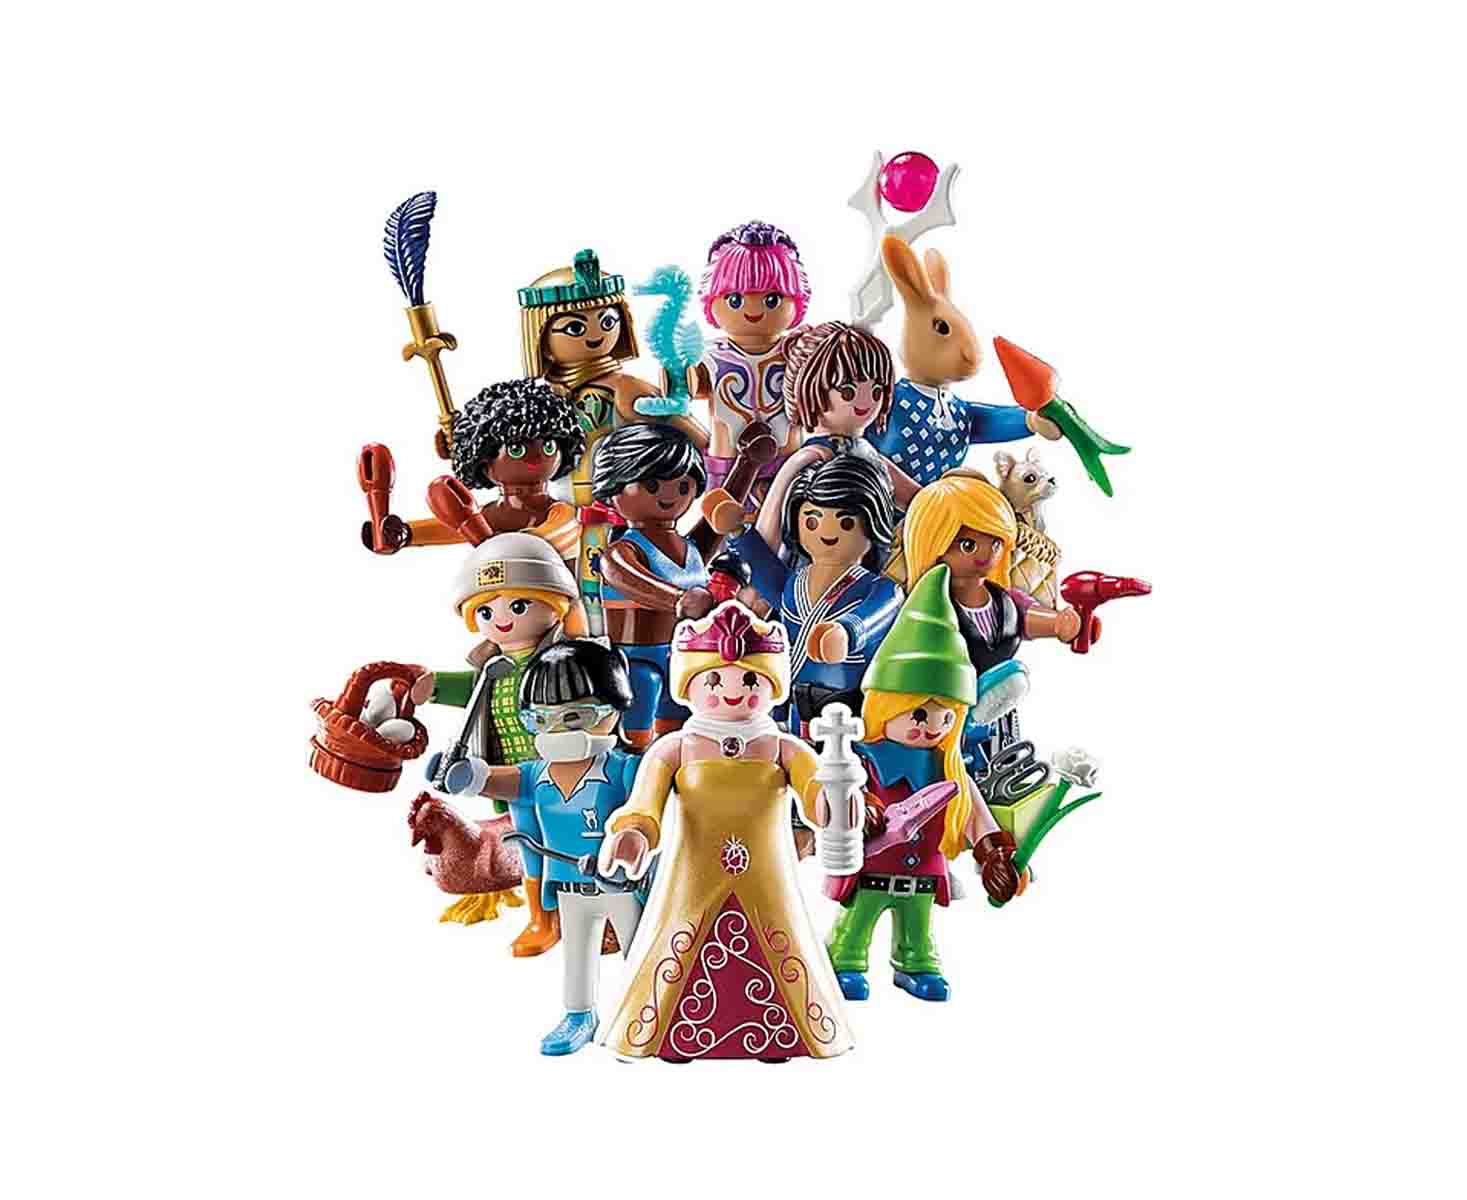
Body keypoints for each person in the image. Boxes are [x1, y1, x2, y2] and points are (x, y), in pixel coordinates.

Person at [596, 602, 853, 1062]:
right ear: (689, 686)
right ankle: (671, 1034)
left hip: (768, 877)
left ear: (771, 685)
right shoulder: (674, 749)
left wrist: (836, 800)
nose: (732, 692)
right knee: (680, 944)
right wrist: (634, 833)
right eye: (714, 680)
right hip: (692, 877)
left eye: (750, 681)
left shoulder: (783, 748)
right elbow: (644, 803)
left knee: (779, 944)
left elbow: (817, 796)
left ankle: (778, 1034)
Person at [824, 566, 1022, 1003]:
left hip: (924, 872)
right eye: (919, 714)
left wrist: (993, 853)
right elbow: (841, 793)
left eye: (945, 717)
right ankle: (846, 956)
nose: (931, 727)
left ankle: (915, 961)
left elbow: (976, 816)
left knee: (918, 924)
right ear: (887, 705)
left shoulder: (948, 767)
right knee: (858, 920)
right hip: (874, 865)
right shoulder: (865, 759)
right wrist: (863, 808)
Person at [442, 639, 644, 1056]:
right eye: (541, 719)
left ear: (613, 709)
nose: (558, 731)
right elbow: (498, 780)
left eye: (575, 716)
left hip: (622, 885)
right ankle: (579, 1015)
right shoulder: (537, 775)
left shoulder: (626, 769)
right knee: (577, 955)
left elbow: (651, 810)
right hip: (568, 886)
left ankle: (645, 1011)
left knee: (640, 951)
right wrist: (466, 774)